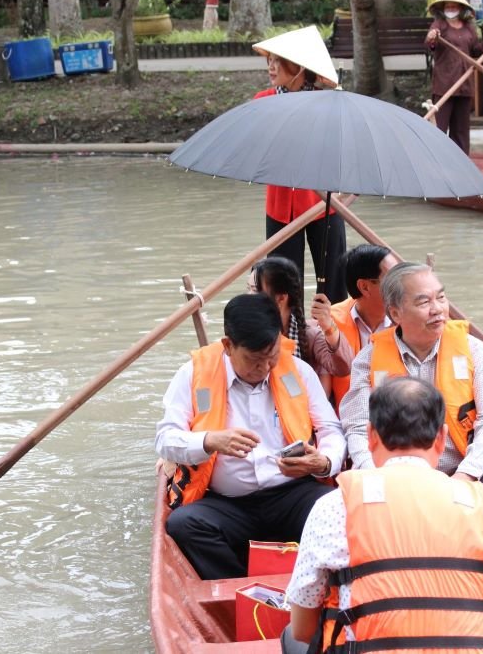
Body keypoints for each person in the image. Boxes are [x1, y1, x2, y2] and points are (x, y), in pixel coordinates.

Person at [282, 377, 483, 654]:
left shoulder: (335, 506)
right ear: (441, 437)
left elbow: (303, 629)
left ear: (370, 436)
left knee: (291, 638)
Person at [156, 293, 346, 580]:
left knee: (341, 509)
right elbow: (165, 440)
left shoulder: (298, 370)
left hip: (292, 494)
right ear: (228, 346)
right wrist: (209, 441)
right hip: (228, 503)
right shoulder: (192, 375)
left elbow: (331, 430)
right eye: (254, 360)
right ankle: (241, 590)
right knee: (184, 524)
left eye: (271, 357)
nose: (264, 368)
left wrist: (322, 462)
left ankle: (316, 585)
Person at [339, 262, 483, 492]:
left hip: (462, 471)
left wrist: (465, 475)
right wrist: (376, 477)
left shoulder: (474, 350)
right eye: (424, 302)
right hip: (393, 478)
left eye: (441, 298)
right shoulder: (368, 360)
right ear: (395, 313)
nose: (438, 309)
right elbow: (359, 428)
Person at [252, 27, 347, 304]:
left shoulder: (328, 102)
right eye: (269, 60)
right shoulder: (264, 101)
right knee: (281, 289)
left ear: (298, 67)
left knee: (334, 284)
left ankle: (333, 340)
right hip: (281, 206)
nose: (271, 66)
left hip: (324, 203)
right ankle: (290, 341)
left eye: (278, 61)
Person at [249, 257, 354, 395]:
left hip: (299, 410)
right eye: (248, 289)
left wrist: (328, 325)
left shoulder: (309, 334)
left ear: (281, 298)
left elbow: (344, 368)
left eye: (255, 290)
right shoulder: (245, 332)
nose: (249, 296)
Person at [425, 0, 483, 154]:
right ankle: (436, 159)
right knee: (439, 127)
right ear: (443, 9)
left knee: (461, 130)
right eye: (448, 7)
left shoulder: (469, 28)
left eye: (454, 7)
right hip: (444, 84)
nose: (450, 9)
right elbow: (430, 43)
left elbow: (475, 50)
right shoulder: (439, 25)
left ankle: (461, 162)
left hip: (464, 84)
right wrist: (432, 37)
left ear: (460, 9)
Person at [327, 244, 399, 410]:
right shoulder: (329, 324)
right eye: (392, 279)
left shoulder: (410, 320)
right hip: (348, 420)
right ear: (365, 287)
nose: (401, 285)